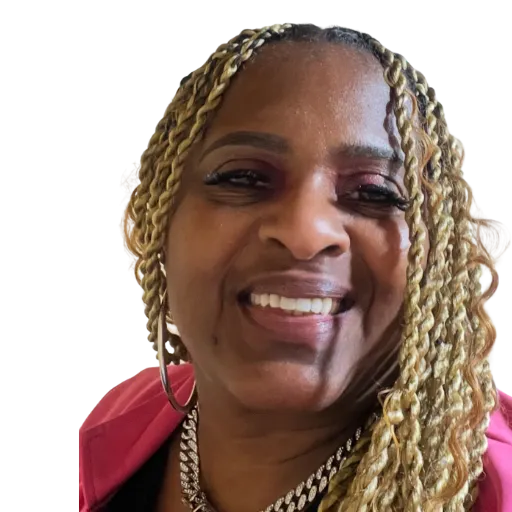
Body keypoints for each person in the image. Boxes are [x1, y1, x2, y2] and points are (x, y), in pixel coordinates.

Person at [79, 22, 512, 511]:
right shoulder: (124, 423)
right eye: (244, 178)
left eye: (374, 192)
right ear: (160, 222)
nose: (306, 233)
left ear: (440, 253)